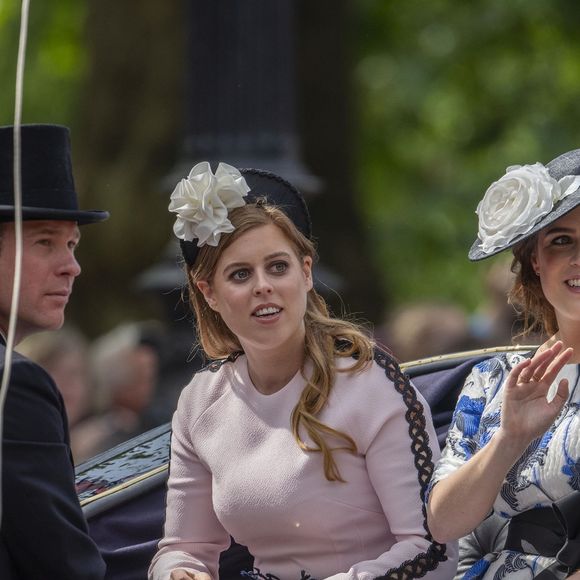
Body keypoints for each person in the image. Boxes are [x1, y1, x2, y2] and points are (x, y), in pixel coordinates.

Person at [148, 162, 457, 580]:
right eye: (240, 274)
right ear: (210, 294)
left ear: (306, 272)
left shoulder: (370, 383)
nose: (263, 285)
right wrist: (179, 573)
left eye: (278, 267)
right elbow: (185, 548)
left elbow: (432, 550)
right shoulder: (200, 402)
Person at [427, 150, 580, 579]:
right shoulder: (492, 379)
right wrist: (510, 438)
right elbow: (443, 523)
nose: (577, 258)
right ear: (536, 260)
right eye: (561, 240)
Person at [0, 124, 108, 578]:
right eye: (45, 242)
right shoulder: (15, 384)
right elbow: (64, 567)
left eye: (72, 244)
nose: (72, 267)